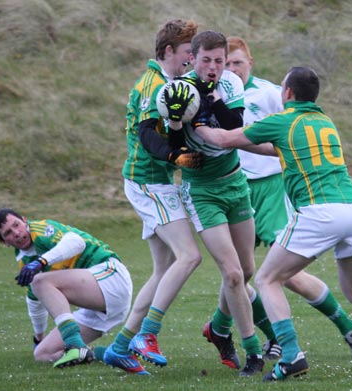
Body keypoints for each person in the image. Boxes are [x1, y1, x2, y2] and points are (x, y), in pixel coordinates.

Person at [194, 66, 352, 381]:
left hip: (319, 212)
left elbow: (222, 139)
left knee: (268, 279)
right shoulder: (324, 122)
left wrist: (196, 120)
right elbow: (277, 150)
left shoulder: (283, 120)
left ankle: (290, 356)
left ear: (287, 94)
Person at [221, 36, 352, 361]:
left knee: (283, 274)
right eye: (225, 63)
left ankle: (344, 326)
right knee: (236, 272)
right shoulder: (214, 93)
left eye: (237, 62)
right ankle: (227, 330)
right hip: (234, 189)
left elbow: (292, 134)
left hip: (273, 189)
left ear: (250, 62)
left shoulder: (269, 93)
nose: (231, 69)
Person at [103, 19, 203, 375]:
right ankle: (147, 334)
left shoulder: (173, 82)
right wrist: (175, 156)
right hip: (148, 182)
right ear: (168, 52)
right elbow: (147, 133)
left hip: (156, 180)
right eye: (188, 53)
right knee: (189, 257)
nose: (191, 60)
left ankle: (118, 348)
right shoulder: (154, 83)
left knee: (164, 270)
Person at [167, 30, 265, 377]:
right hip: (202, 190)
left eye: (219, 61)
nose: (213, 67)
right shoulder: (178, 90)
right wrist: (177, 121)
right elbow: (176, 148)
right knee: (234, 274)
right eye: (206, 60)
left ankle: (218, 327)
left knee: (248, 269)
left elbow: (235, 130)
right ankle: (253, 352)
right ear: (192, 59)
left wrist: (213, 100)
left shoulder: (232, 85)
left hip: (236, 182)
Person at [0, 208, 133, 369]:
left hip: (111, 277)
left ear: (25, 220)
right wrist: (38, 338)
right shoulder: (26, 262)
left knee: (39, 281)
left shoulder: (41, 230)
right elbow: (34, 302)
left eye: (17, 224)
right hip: (100, 307)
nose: (16, 232)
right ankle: (113, 353)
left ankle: (75, 345)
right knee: (43, 354)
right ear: (4, 242)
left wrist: (41, 262)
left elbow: (76, 242)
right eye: (8, 233)